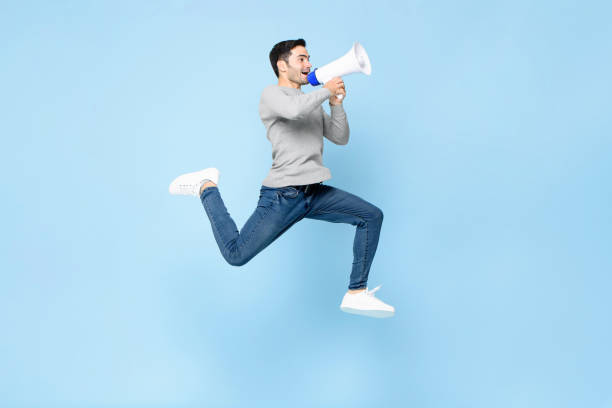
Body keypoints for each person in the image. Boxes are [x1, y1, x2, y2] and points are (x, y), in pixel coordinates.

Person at [169, 39, 394, 318]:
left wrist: (336, 104)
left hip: (313, 194)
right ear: (281, 65)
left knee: (371, 216)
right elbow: (294, 111)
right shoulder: (271, 95)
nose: (309, 64)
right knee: (236, 255)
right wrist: (325, 90)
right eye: (301, 59)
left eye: (309, 58)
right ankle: (206, 186)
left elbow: (340, 137)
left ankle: (356, 293)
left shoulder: (312, 101)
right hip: (282, 196)